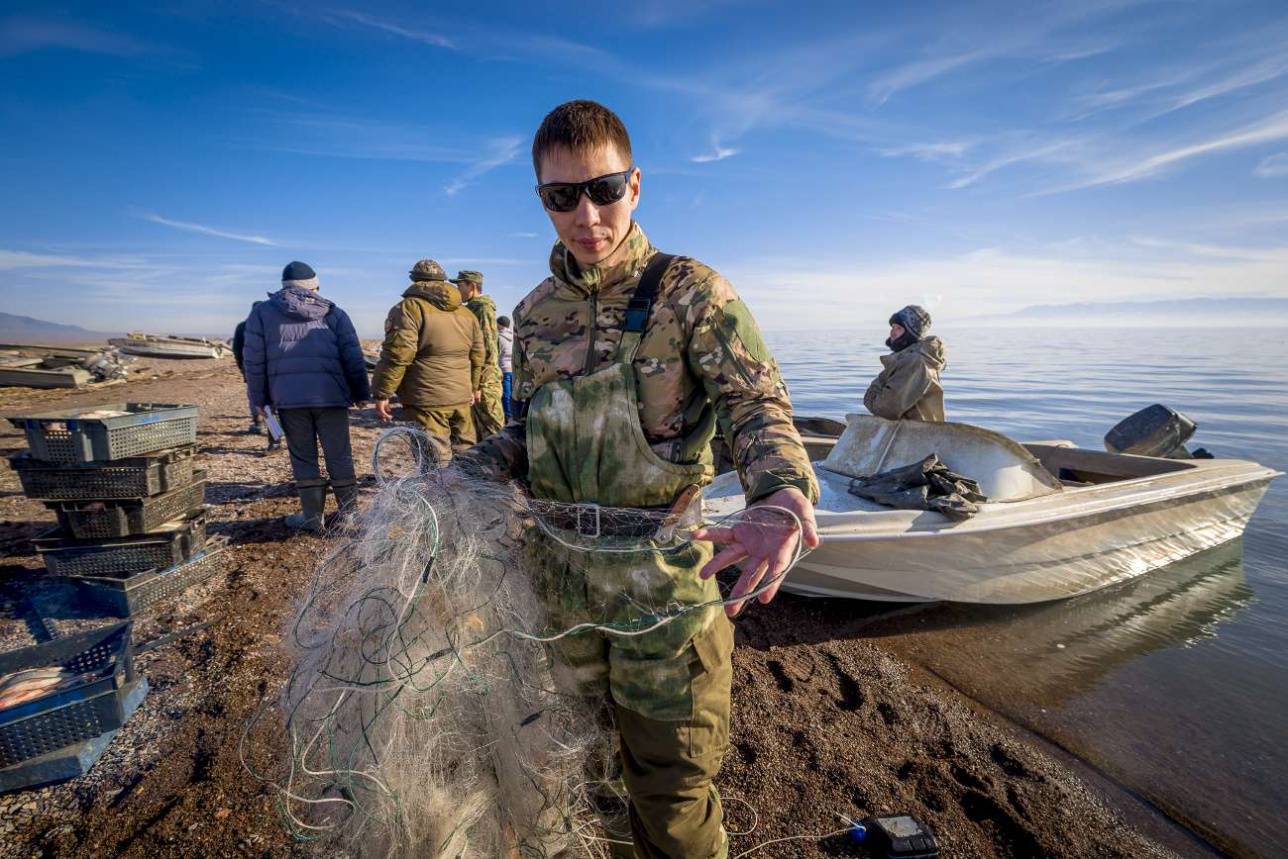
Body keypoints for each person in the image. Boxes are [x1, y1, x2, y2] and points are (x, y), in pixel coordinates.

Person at [462, 100, 819, 859]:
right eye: (562, 196)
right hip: (559, 590)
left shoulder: (693, 293)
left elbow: (754, 404)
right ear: (542, 200)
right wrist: (472, 469)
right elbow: (527, 430)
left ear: (636, 184)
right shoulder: (530, 314)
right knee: (585, 772)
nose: (586, 213)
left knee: (672, 788)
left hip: (661, 588)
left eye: (604, 189)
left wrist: (781, 494)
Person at [242, 261, 370, 532]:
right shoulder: (334, 312)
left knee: (303, 457)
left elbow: (254, 362)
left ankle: (313, 519)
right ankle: (349, 516)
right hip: (331, 397)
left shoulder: (262, 314)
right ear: (315, 286)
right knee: (340, 455)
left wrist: (260, 402)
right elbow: (353, 357)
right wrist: (361, 393)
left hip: (289, 400)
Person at [371, 259, 484, 461]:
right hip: (461, 395)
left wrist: (382, 392)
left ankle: (442, 492)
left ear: (414, 279)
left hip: (426, 398)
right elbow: (478, 354)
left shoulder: (409, 308)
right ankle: (468, 492)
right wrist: (474, 387)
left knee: (434, 461)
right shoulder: (466, 313)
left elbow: (398, 354)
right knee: (466, 457)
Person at [863, 304, 947, 422]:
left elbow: (884, 409)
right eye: (893, 327)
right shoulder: (918, 358)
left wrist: (874, 390)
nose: (892, 332)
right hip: (918, 434)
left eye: (899, 328)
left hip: (913, 436)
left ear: (911, 333)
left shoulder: (914, 362)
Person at [453, 270, 505, 439]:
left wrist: (479, 384)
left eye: (460, 286)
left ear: (472, 286)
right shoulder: (471, 309)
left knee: (493, 429)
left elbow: (488, 348)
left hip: (485, 381)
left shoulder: (483, 308)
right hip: (474, 379)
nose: (457, 290)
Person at [231, 318, 262, 435]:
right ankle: (275, 436)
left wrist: (241, 367)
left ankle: (258, 423)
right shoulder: (272, 324)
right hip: (271, 369)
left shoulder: (243, 326)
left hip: (251, 368)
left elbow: (236, 350)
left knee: (254, 396)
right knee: (273, 401)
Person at [497, 314, 514, 420]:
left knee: (505, 394)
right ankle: (514, 414)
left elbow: (496, 354)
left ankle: (508, 416)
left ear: (499, 325)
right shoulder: (513, 337)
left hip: (503, 369)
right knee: (512, 394)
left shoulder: (499, 338)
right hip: (513, 368)